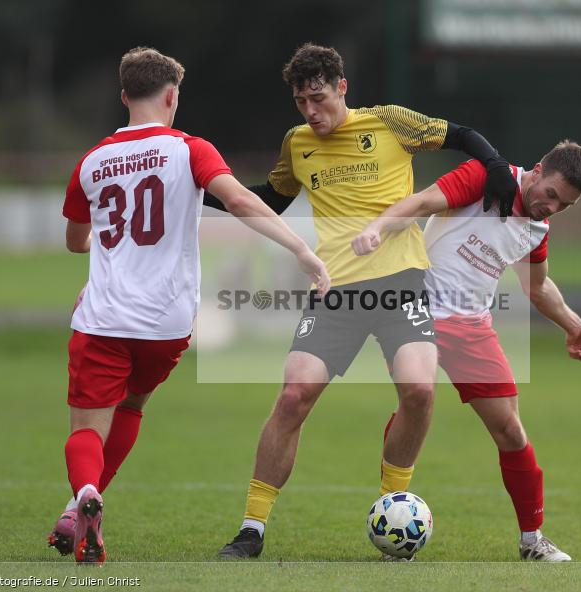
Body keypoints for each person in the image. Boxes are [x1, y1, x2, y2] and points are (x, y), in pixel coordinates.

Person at [210, 43, 520, 560]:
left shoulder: (390, 123)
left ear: (341, 88)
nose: (312, 111)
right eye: (301, 102)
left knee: (419, 392)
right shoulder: (298, 143)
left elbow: (461, 136)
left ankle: (392, 503)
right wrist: (205, 193)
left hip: (401, 281)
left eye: (319, 98)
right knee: (292, 398)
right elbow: (275, 197)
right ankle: (251, 529)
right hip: (335, 289)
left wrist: (495, 167)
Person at [49, 47, 329, 564]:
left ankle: (85, 493)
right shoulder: (190, 149)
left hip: (105, 316)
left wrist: (107, 255)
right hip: (168, 323)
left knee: (87, 428)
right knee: (132, 406)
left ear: (124, 96)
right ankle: (76, 508)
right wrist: (300, 249)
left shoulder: (91, 161)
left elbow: (75, 239)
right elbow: (240, 201)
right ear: (172, 96)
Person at [351, 140, 581, 561]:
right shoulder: (485, 177)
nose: (551, 207)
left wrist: (573, 324)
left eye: (564, 206)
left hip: (471, 327)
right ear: (537, 170)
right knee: (417, 395)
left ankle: (532, 539)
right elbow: (423, 201)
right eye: (551, 194)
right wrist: (377, 228)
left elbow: (536, 288)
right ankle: (391, 510)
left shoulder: (537, 228)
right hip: (416, 308)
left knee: (511, 431)